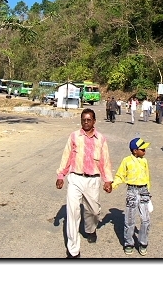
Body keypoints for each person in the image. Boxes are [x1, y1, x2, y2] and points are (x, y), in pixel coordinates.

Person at [56, 108, 114, 258]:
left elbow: (105, 161)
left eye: (89, 120)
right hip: (75, 178)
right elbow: (66, 155)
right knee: (72, 213)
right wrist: (61, 175)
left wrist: (108, 180)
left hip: (93, 180)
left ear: (94, 121)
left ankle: (90, 229)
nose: (86, 122)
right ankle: (73, 250)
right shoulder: (74, 136)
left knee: (93, 211)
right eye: (83, 120)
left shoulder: (100, 139)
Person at [112, 137, 153, 255]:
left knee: (145, 219)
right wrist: (113, 185)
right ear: (135, 150)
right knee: (130, 219)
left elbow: (147, 177)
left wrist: (148, 194)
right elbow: (120, 175)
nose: (145, 151)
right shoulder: (126, 161)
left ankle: (143, 242)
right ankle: (128, 243)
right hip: (132, 191)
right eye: (142, 149)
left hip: (144, 191)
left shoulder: (144, 161)